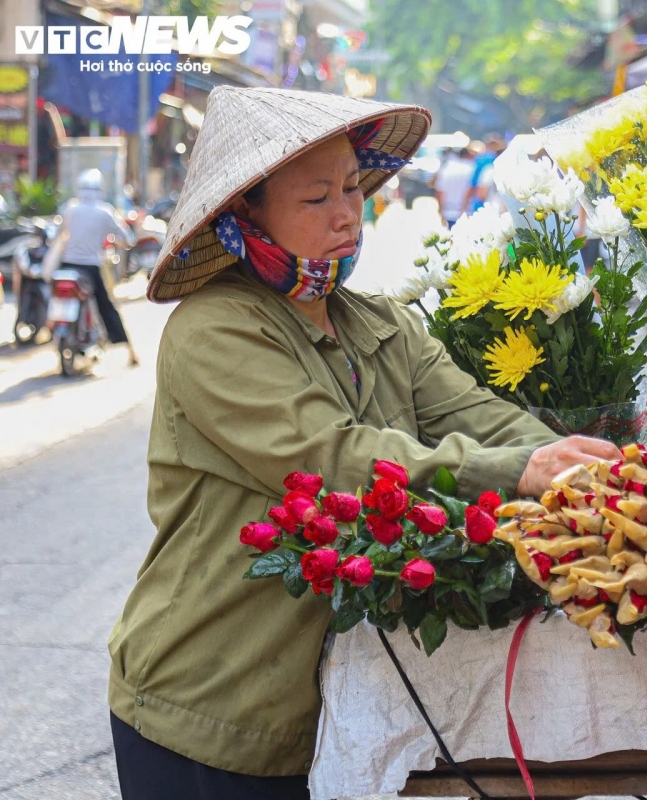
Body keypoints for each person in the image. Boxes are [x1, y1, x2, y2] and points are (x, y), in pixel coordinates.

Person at [111, 87, 621, 800]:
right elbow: (333, 460)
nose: (348, 213)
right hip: (213, 697)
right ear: (244, 217)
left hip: (344, 698)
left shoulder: (376, 321)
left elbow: (478, 413)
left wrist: (580, 470)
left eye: (353, 187)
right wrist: (519, 471)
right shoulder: (214, 330)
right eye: (316, 199)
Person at [58, 169, 139, 365]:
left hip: (66, 265)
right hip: (90, 268)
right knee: (106, 306)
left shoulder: (69, 208)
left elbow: (59, 233)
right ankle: (130, 352)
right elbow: (128, 238)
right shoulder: (105, 212)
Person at [432, 145, 475, 226]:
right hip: (466, 212)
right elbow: (471, 190)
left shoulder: (446, 169)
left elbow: (439, 193)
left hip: (448, 212)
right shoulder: (471, 168)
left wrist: (440, 212)